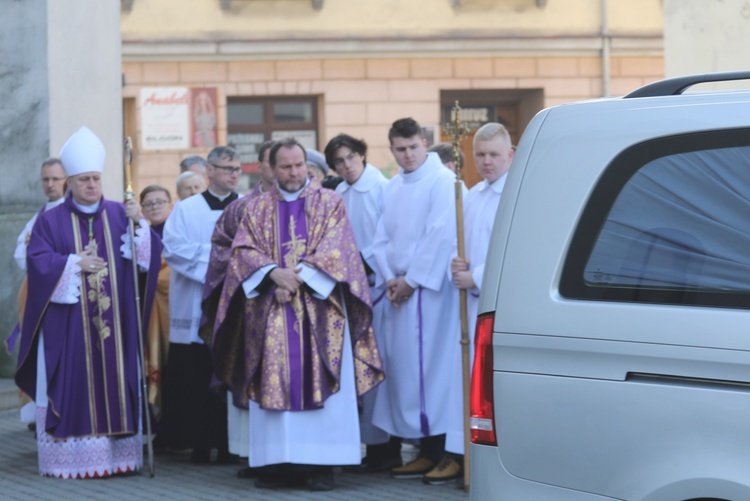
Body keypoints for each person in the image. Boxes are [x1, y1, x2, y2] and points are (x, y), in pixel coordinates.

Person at [209, 137, 384, 491]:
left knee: (322, 384)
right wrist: (273, 274)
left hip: (321, 314)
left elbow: (340, 250)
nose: (293, 172)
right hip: (271, 310)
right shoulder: (256, 208)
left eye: (299, 165)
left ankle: (323, 465)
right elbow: (243, 251)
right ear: (272, 168)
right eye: (285, 166)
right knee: (275, 380)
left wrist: (296, 278)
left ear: (307, 165)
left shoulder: (330, 203)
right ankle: (278, 463)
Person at [15, 126, 161, 478]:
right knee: (73, 380)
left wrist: (139, 225)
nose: (91, 185)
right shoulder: (49, 221)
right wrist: (72, 263)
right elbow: (36, 260)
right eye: (83, 180)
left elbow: (149, 257)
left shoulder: (119, 213)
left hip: (117, 320)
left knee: (116, 378)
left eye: (95, 178)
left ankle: (118, 458)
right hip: (69, 325)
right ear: (70, 182)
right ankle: (76, 460)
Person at [370, 118, 458, 479]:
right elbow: (379, 239)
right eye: (400, 150)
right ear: (391, 150)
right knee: (407, 372)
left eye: (413, 148)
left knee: (432, 372)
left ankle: (442, 450)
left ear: (425, 144)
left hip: (431, 294)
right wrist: (390, 277)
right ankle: (424, 447)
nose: (407, 155)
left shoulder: (444, 183)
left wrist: (412, 279)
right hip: (399, 291)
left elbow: (442, 235)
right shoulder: (391, 188)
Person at [433, 123, 515, 485]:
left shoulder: (516, 195)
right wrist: (457, 264)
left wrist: (477, 276)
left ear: (510, 155)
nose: (486, 162)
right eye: (480, 155)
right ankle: (461, 455)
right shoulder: (475, 194)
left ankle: (484, 464)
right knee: (463, 380)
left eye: (494, 155)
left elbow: (515, 250)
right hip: (468, 304)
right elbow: (459, 240)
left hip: (497, 303)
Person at [323, 133, 401, 472]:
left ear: (362, 155)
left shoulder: (382, 188)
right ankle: (366, 446)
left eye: (350, 158)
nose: (346, 166)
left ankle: (388, 449)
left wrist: (365, 263)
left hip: (378, 286)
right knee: (356, 370)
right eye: (338, 162)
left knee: (381, 366)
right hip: (350, 289)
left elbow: (389, 237)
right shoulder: (338, 193)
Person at [158, 146, 241, 464]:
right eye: (226, 168)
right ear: (209, 171)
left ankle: (230, 443)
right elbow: (175, 249)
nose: (233, 174)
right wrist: (222, 259)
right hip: (193, 305)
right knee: (196, 374)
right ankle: (198, 442)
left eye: (237, 169)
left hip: (234, 303)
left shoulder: (247, 206)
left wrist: (227, 260)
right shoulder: (186, 208)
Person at [200, 139, 275, 477]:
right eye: (276, 164)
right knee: (250, 378)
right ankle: (252, 454)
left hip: (298, 309)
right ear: (262, 166)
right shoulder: (241, 208)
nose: (284, 171)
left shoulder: (314, 206)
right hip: (252, 310)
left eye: (292, 164)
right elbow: (221, 255)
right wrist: (262, 276)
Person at [10, 158, 68, 427]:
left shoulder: (73, 210)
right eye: (45, 179)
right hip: (42, 299)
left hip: (71, 301)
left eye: (55, 179)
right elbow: (21, 254)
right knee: (42, 357)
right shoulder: (41, 214)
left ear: (67, 179)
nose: (50, 184)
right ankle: (42, 412)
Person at [139, 185, 173, 418]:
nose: (155, 207)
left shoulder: (178, 232)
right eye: (149, 204)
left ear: (171, 204)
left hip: (174, 308)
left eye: (160, 202)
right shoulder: (142, 236)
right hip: (150, 310)